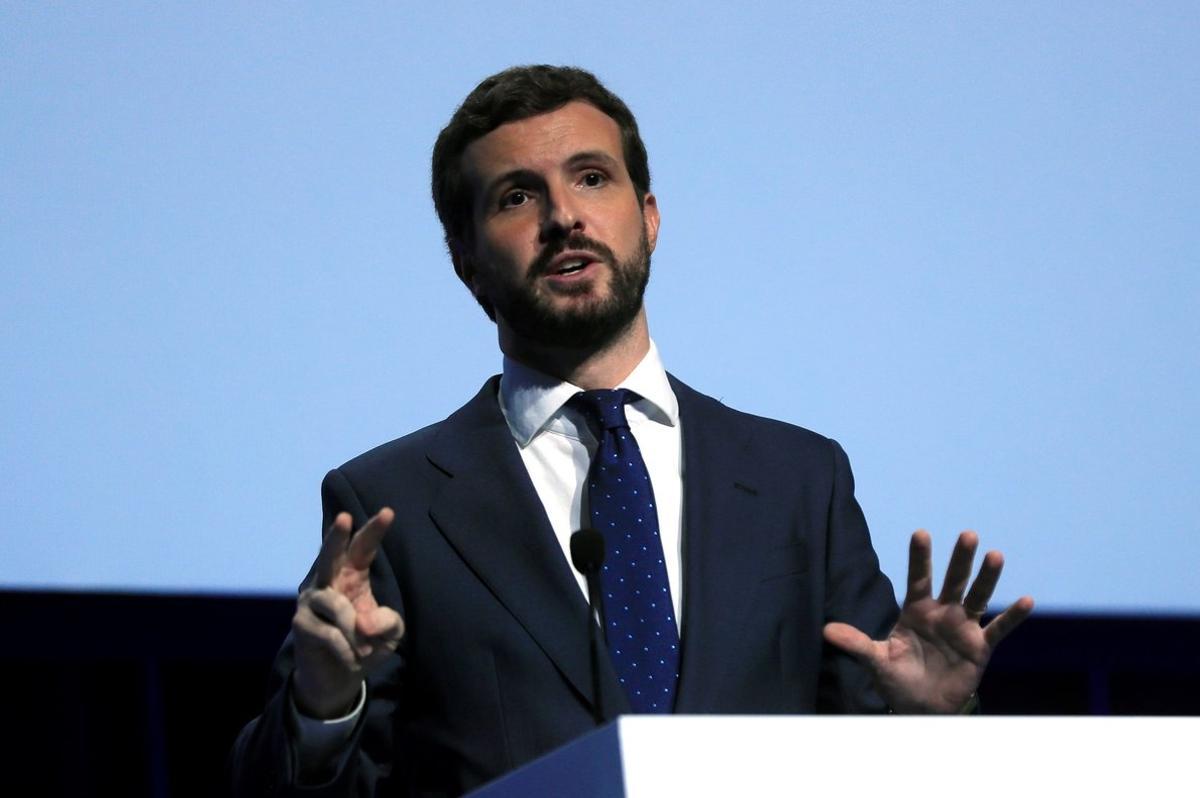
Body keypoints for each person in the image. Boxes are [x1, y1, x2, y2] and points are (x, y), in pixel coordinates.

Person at [230, 65, 1034, 797]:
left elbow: (868, 764)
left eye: (591, 178)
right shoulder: (392, 503)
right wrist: (325, 703)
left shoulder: (800, 479)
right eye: (516, 196)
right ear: (466, 259)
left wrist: (931, 726)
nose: (564, 217)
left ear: (648, 218)